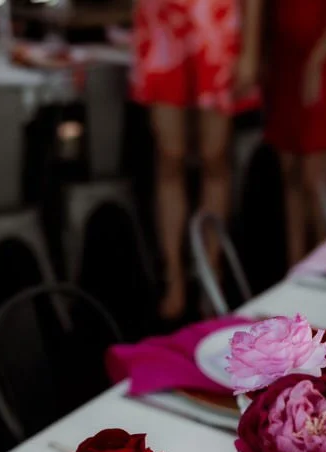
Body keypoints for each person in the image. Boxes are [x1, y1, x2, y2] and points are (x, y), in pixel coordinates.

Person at [132, 0, 261, 320]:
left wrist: (250, 50)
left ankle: (211, 271)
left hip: (215, 23)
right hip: (160, 23)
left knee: (215, 158)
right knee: (169, 158)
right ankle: (174, 275)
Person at [263, 0, 326, 267]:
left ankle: (325, 265)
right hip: (284, 57)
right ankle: (294, 264)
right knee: (290, 174)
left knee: (316, 177)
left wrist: (320, 55)